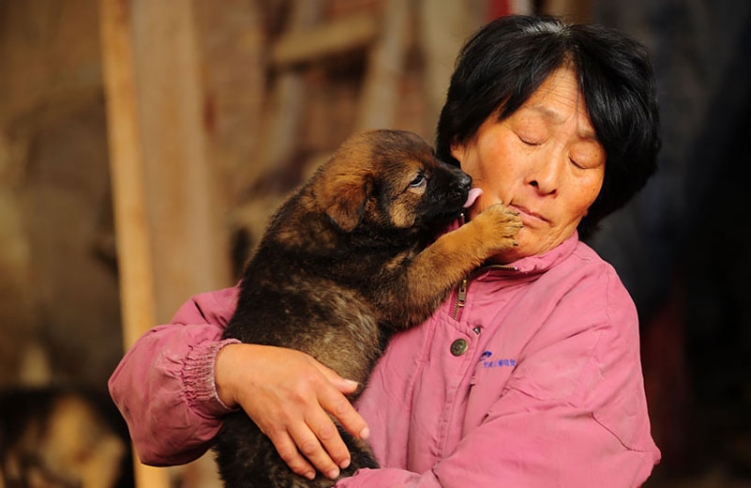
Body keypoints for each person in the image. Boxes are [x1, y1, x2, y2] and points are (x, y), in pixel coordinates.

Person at [109, 14, 661, 487]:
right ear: (460, 141)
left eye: (584, 162)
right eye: (530, 139)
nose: (547, 178)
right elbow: (143, 396)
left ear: (601, 190)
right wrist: (234, 369)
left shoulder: (590, 318)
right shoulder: (373, 247)